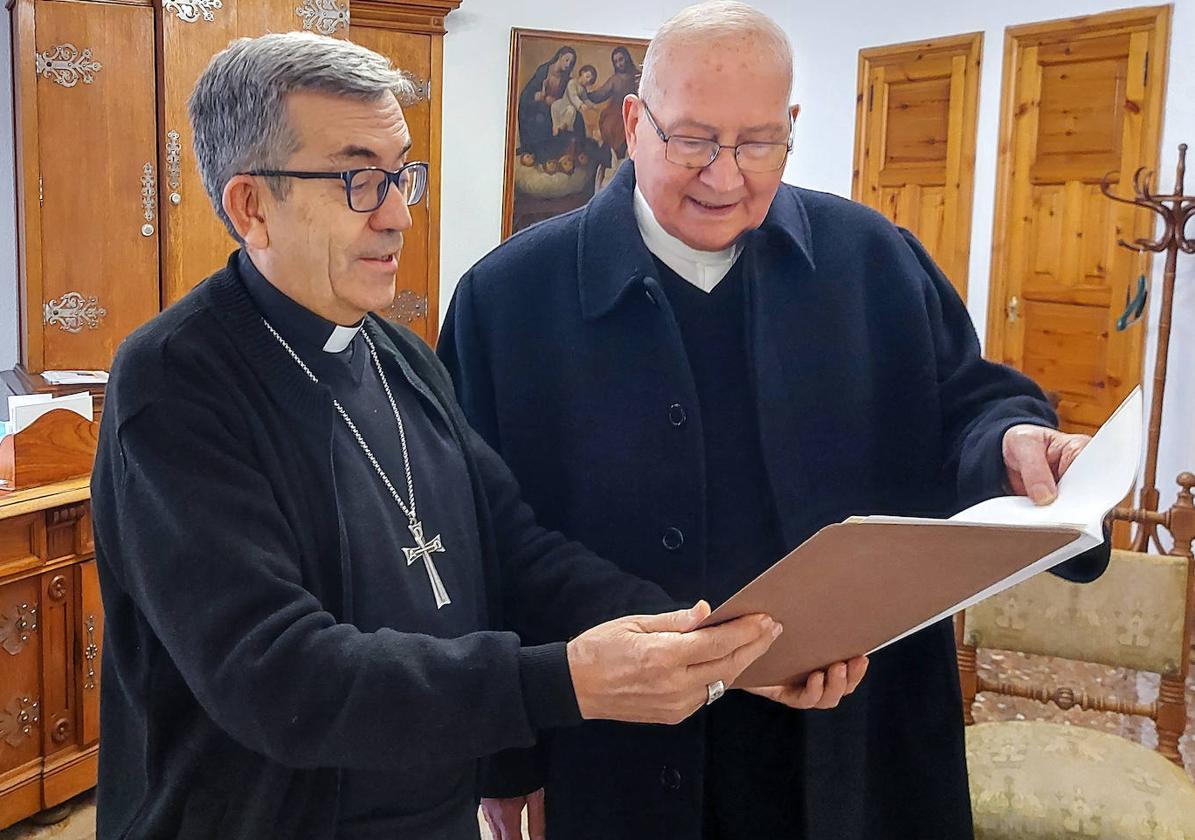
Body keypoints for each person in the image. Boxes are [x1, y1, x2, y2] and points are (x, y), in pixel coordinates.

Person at [90, 31, 783, 840]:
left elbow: (515, 553)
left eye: (399, 173)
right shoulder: (176, 381)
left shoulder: (398, 354)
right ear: (252, 206)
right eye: (357, 179)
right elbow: (277, 674)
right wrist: (561, 683)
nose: (398, 213)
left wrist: (709, 634)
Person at [438, 3, 1108, 839]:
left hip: (852, 730)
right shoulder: (508, 300)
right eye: (691, 141)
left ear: (791, 126)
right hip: (620, 743)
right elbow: (478, 547)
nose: (724, 176)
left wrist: (1009, 441)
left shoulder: (871, 258)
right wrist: (504, 757)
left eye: (757, 144)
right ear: (631, 122)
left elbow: (964, 404)